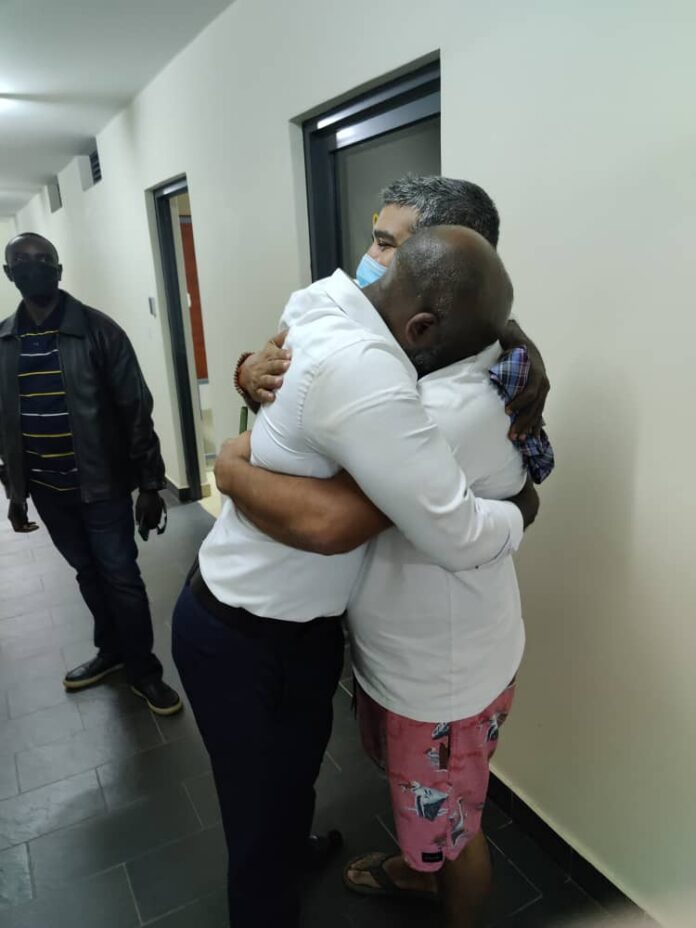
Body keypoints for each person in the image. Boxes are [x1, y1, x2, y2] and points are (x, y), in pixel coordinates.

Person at [172, 225, 539, 928]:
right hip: (241, 633)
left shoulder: (343, 318)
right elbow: (341, 525)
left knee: (296, 780)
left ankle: (293, 849)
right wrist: (522, 508)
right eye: (380, 239)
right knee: (255, 821)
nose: (374, 258)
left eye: (391, 241)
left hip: (321, 632)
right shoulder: (369, 371)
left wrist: (232, 458)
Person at [0, 233, 182, 716]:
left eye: (44, 260)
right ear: (8, 273)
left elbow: (135, 409)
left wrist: (150, 484)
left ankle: (144, 671)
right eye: (22, 261)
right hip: (47, 490)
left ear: (59, 270)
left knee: (121, 577)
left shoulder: (99, 332)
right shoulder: (4, 342)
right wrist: (15, 491)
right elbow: (4, 421)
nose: (34, 267)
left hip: (101, 486)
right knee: (87, 573)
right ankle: (112, 651)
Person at [235, 175, 549, 439]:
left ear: (445, 254)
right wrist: (248, 374)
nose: (369, 256)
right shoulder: (323, 308)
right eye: (375, 240)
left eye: (385, 244)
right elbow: (282, 409)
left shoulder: (481, 361)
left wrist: (517, 341)